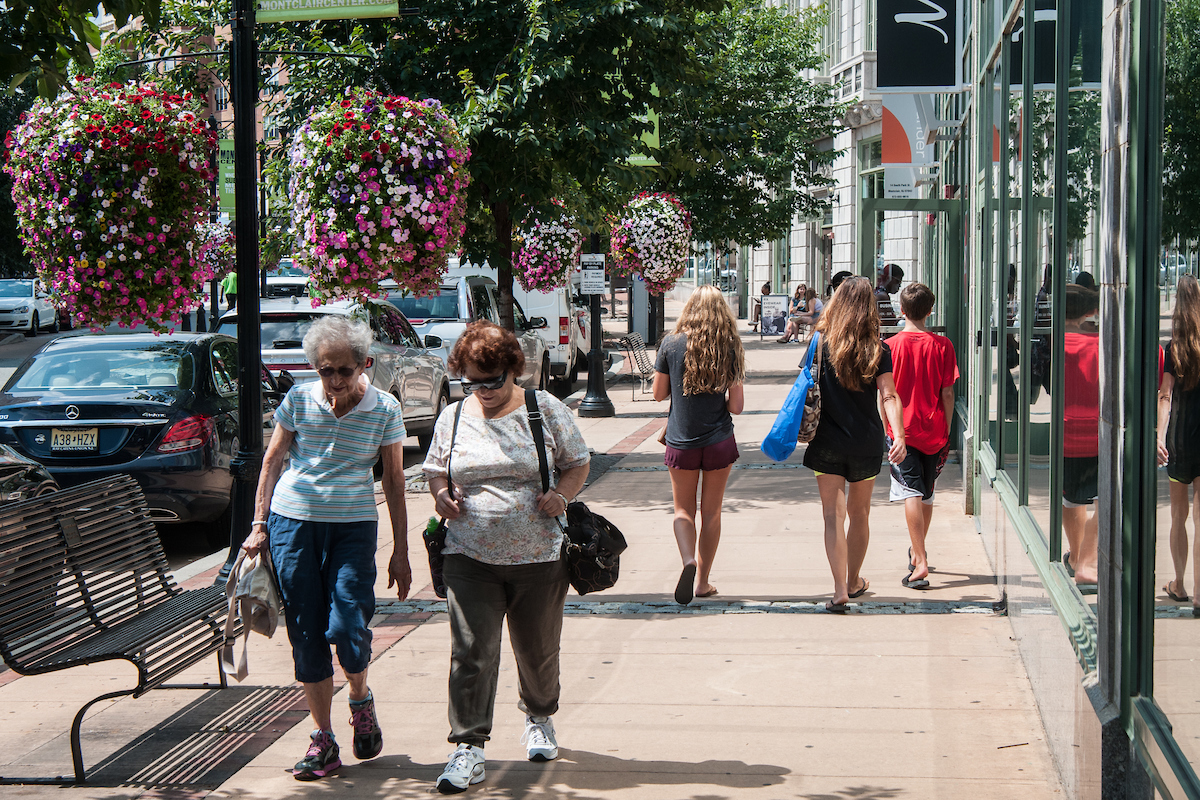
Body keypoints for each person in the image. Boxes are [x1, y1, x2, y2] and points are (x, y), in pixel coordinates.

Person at [422, 322, 590, 794]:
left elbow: (578, 461)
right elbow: (435, 470)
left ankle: (539, 716)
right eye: (473, 381)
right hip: (468, 554)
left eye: (493, 380)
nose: (484, 391)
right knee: (471, 651)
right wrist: (441, 496)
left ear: (513, 370)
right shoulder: (453, 416)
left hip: (538, 556)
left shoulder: (543, 409)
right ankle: (468, 747)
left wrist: (561, 494)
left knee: (537, 651)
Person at [243, 315, 410, 781]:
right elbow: (273, 459)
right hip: (292, 526)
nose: (334, 379)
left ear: (365, 365)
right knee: (306, 632)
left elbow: (395, 480)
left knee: (348, 624)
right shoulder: (297, 400)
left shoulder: (385, 409)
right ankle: (323, 740)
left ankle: (360, 696)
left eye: (344, 370)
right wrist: (259, 525)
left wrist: (401, 549)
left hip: (353, 527)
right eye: (324, 370)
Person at [802, 277, 906, 611]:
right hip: (866, 441)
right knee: (860, 514)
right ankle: (854, 580)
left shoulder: (819, 343)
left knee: (833, 516)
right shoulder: (879, 348)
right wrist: (900, 435)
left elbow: (804, 385)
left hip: (826, 440)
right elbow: (889, 395)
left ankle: (838, 589)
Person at [653, 285, 746, 604]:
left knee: (683, 509)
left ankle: (687, 561)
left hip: (681, 440)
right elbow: (736, 406)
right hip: (719, 441)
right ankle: (703, 581)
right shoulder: (730, 346)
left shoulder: (671, 344)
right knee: (712, 512)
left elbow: (658, 393)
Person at [884, 283, 959, 589]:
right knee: (925, 493)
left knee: (910, 492)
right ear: (931, 310)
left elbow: (884, 394)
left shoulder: (889, 347)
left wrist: (887, 429)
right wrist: (948, 427)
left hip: (902, 431)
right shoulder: (944, 346)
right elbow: (948, 392)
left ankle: (921, 557)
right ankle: (918, 552)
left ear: (902, 310)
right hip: (934, 430)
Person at [1158, 274, 1200, 613]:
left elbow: (1165, 398)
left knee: (1178, 515)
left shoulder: (1173, 349)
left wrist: (1159, 436)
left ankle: (1180, 584)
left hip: (1179, 441)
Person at [1061, 284, 1100, 588]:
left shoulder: (1055, 344)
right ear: (1090, 312)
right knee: (1104, 500)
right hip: (1098, 434)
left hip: (1066, 434)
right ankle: (1085, 560)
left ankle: (1077, 556)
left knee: (1071, 501)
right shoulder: (1102, 345)